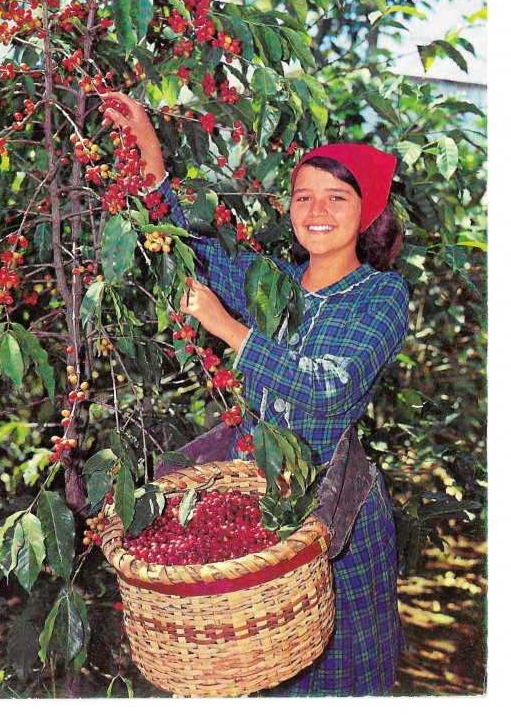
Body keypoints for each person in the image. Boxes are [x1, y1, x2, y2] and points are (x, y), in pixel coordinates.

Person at [104, 92, 410, 697]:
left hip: (331, 518)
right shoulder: (275, 282)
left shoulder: (382, 295)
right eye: (304, 197)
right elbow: (194, 249)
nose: (317, 210)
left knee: (335, 674)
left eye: (337, 197)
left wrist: (228, 327)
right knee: (250, 662)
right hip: (257, 503)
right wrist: (149, 151)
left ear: (367, 211)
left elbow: (329, 388)